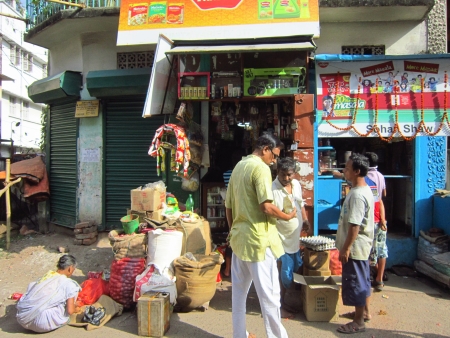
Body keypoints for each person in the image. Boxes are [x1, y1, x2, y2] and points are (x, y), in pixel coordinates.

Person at [225, 133, 296, 338]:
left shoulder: (239, 166)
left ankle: (239, 335)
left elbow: (228, 206)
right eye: (273, 155)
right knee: (270, 297)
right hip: (258, 242)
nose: (274, 161)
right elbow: (266, 206)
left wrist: (232, 231)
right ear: (265, 149)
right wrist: (286, 215)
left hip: (239, 241)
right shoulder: (261, 168)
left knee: (238, 297)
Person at [335, 153, 374, 334]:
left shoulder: (358, 195)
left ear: (357, 171)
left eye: (348, 169)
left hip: (356, 247)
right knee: (362, 279)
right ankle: (363, 312)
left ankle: (358, 321)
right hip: (361, 246)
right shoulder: (361, 190)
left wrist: (346, 248)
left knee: (356, 281)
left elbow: (354, 226)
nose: (345, 171)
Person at [272, 157, 310, 319]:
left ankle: (282, 302)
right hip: (280, 239)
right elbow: (271, 213)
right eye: (283, 174)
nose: (286, 178)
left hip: (295, 238)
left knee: (292, 271)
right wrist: (287, 217)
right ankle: (278, 307)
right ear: (277, 172)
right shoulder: (272, 190)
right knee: (282, 274)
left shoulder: (296, 185)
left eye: (289, 174)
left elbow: (300, 204)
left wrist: (305, 219)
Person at [16, 254, 81, 333]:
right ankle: (60, 321)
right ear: (70, 268)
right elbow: (70, 311)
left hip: (22, 319)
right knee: (71, 294)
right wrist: (75, 307)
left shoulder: (47, 276)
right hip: (40, 323)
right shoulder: (68, 283)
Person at [365, 152, 388, 291]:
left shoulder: (366, 177)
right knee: (381, 249)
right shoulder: (380, 176)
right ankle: (379, 278)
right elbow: (382, 196)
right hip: (380, 217)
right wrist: (383, 220)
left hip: (370, 219)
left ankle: (373, 276)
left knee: (369, 250)